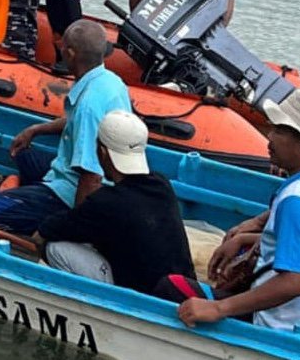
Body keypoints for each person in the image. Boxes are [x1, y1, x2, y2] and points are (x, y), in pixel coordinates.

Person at [180, 89, 300, 348]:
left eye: (280, 131)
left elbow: (293, 283)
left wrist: (219, 308)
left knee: (170, 287)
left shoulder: (298, 199)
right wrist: (246, 238)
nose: (270, 137)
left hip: (296, 332)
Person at [0, 20, 131, 234]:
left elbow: (91, 177)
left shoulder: (89, 106)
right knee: (24, 155)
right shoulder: (112, 81)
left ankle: (49, 215)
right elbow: (75, 122)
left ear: (70, 54)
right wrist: (35, 129)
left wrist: (73, 228)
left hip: (79, 188)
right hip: (70, 168)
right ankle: (38, 194)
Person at [35, 109, 198, 297]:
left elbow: (49, 230)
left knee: (55, 248)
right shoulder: (162, 184)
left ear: (102, 152)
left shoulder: (106, 202)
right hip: (179, 289)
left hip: (139, 295)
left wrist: (38, 239)